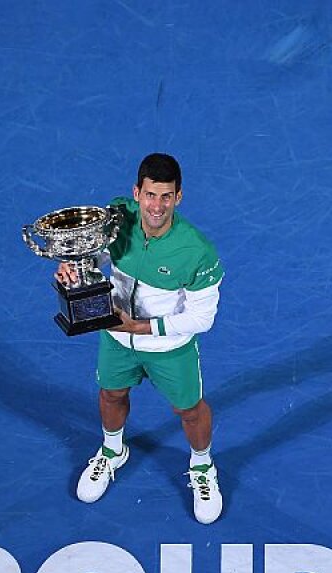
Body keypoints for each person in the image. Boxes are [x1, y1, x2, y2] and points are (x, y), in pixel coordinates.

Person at [56, 153, 225, 524]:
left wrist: (141, 328)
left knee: (189, 411)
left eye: (166, 197)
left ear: (178, 197)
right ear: (136, 193)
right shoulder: (116, 218)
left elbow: (202, 318)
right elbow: (96, 256)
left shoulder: (197, 252)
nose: (157, 206)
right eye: (150, 195)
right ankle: (113, 450)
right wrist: (74, 265)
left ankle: (201, 467)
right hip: (117, 340)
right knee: (111, 394)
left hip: (168, 348)